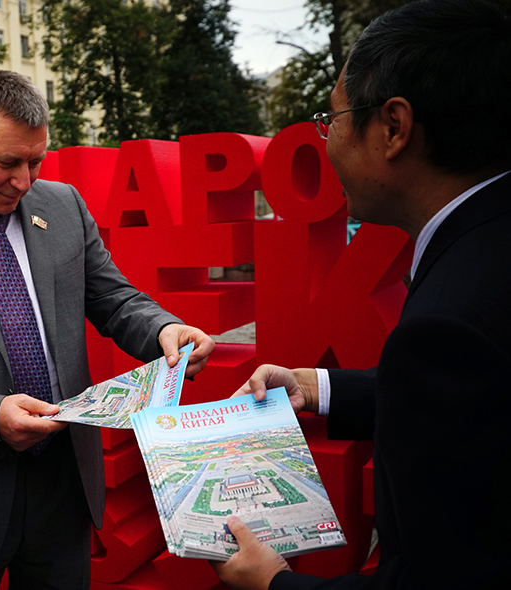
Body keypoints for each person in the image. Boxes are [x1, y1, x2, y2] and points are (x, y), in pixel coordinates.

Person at [0, 69, 215, 589]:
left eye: (35, 161)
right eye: (7, 162)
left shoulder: (63, 206)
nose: (24, 182)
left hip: (63, 484)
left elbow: (113, 298)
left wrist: (163, 330)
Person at [212, 1, 511, 589]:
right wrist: (314, 385)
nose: (326, 145)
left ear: (394, 128)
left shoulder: (449, 320)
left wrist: (273, 581)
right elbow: (473, 394)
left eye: (333, 120)